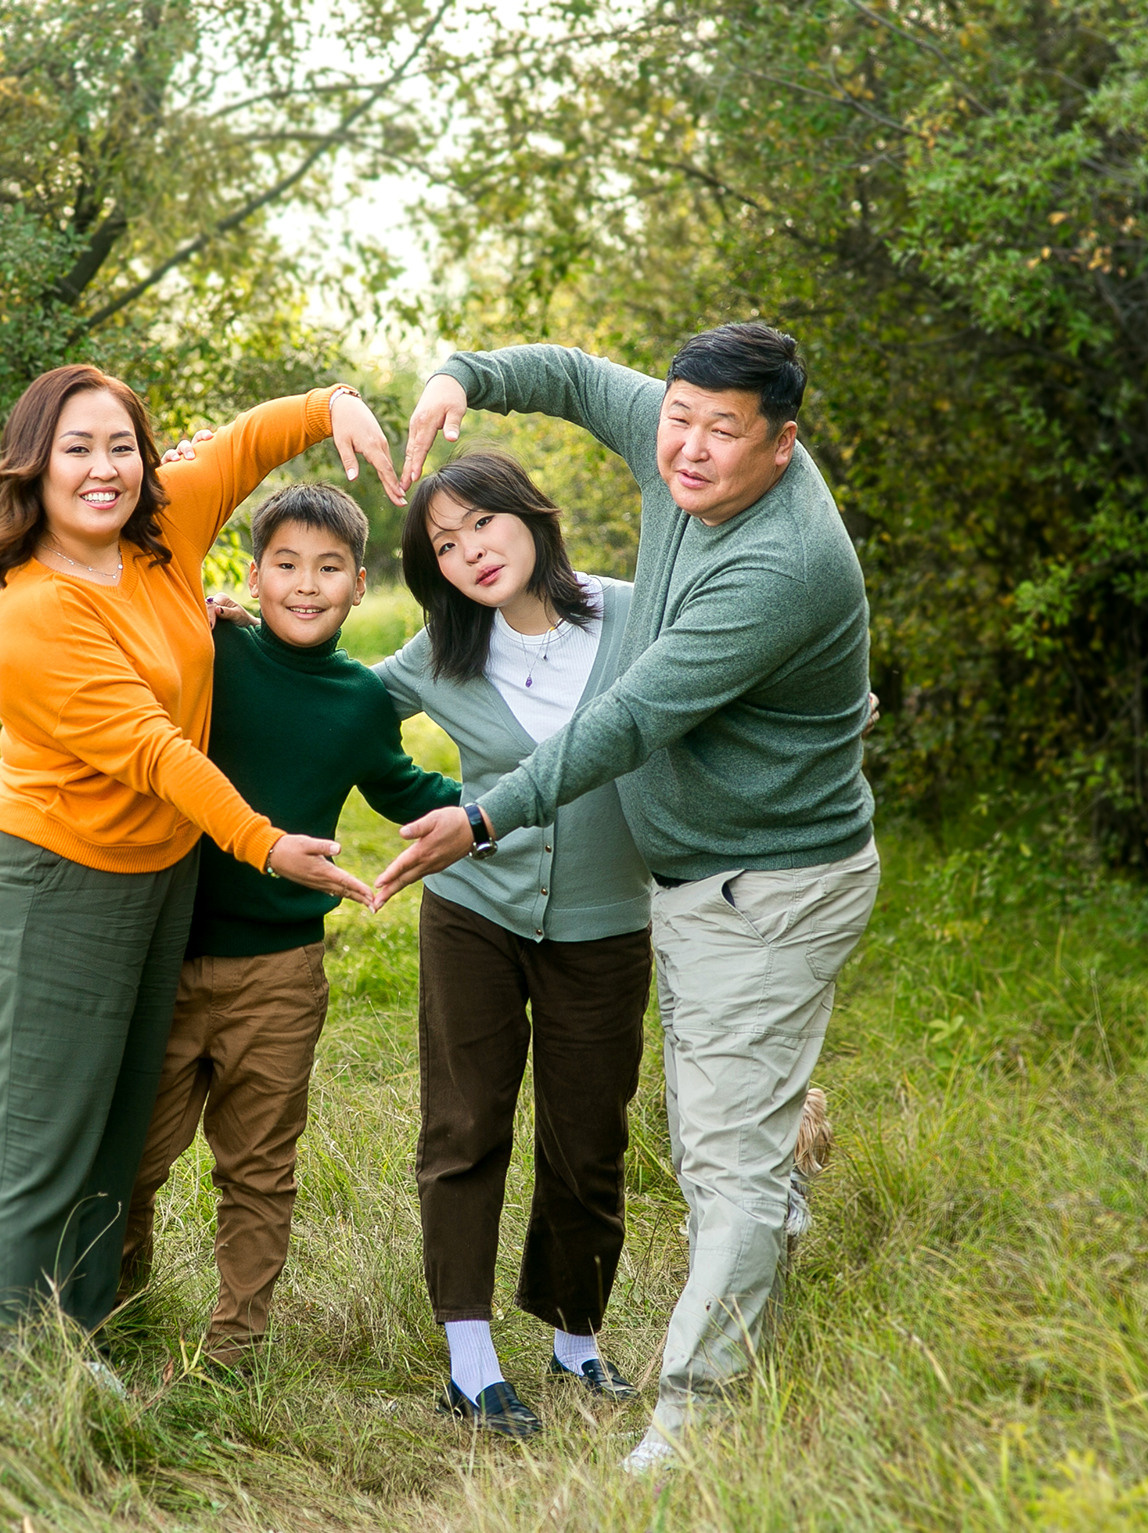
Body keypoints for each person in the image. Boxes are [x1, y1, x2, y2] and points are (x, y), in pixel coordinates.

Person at [377, 324, 880, 1471]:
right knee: (720, 1128)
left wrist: (487, 813)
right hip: (700, 885)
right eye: (677, 422)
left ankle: (694, 1418)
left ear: (781, 443)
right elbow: (559, 376)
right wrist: (465, 375)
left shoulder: (779, 564)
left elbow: (628, 719)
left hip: (769, 880)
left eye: (722, 433)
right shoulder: (674, 438)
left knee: (717, 1157)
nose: (688, 451)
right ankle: (759, 1210)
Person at [0, 364, 401, 1381]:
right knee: (44, 1146)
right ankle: (24, 1378)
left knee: (116, 1134)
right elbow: (158, 751)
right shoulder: (34, 617)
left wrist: (332, 405)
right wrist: (264, 842)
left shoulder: (157, 533)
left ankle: (89, 1337)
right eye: (75, 449)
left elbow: (246, 443)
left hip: (158, 885)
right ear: (34, 467)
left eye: (120, 444)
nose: (103, 469)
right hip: (55, 884)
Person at [119, 482, 459, 1369]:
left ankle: (234, 1347)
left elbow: (411, 792)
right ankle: (114, 1317)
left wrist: (531, 795)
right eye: (286, 564)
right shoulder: (211, 650)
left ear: (358, 586)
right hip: (165, 954)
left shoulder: (356, 702)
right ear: (254, 575)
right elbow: (124, 658)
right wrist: (182, 609)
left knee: (259, 1168)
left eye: (330, 568)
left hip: (278, 972)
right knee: (129, 1161)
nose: (306, 585)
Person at [375, 450, 655, 1440]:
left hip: (608, 921)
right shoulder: (441, 652)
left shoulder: (634, 614)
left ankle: (576, 1341)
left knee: (588, 1134)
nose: (467, 552)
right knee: (464, 1126)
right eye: (442, 546)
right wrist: (233, 637)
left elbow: (731, 669)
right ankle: (469, 1359)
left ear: (531, 514)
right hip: (471, 914)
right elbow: (336, 702)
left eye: (480, 523)